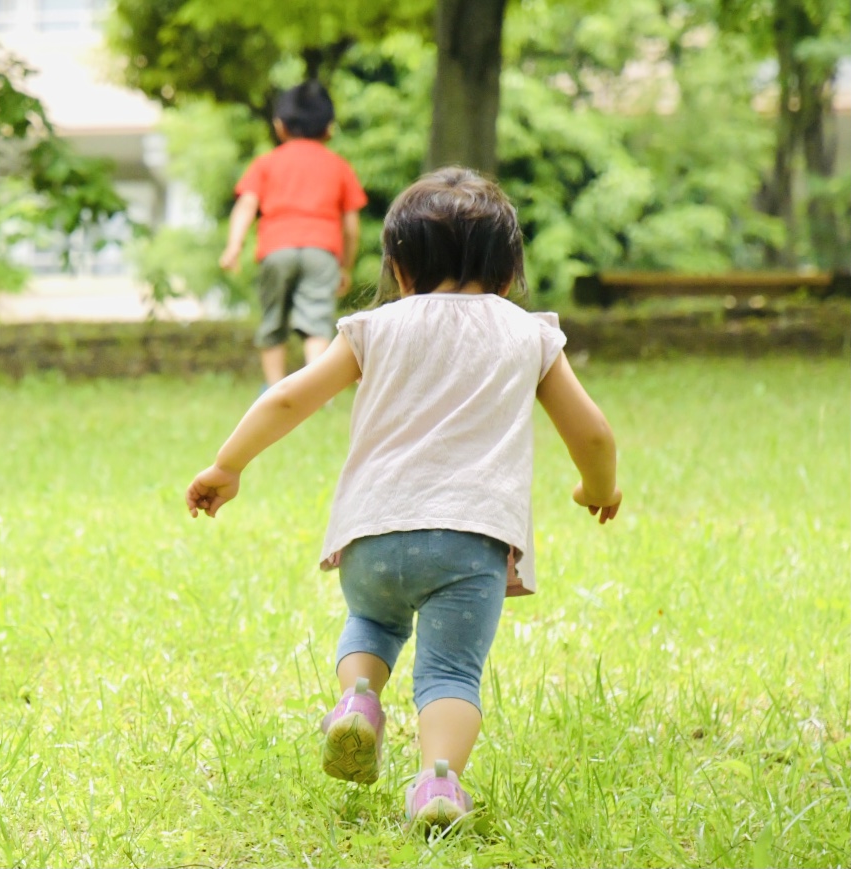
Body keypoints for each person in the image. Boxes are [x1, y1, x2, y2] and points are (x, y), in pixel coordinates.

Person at [186, 167, 621, 828]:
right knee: (450, 671)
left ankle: (359, 699)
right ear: (508, 274)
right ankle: (438, 783)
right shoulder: (529, 333)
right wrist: (598, 486)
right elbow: (591, 430)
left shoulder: (375, 328)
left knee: (373, 623)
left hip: (373, 532)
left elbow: (287, 396)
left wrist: (229, 464)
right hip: (469, 541)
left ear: (398, 268)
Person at [219, 80, 367, 387]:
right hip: (322, 251)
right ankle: (315, 392)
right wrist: (346, 266)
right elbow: (351, 225)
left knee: (273, 318)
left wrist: (234, 245)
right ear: (329, 128)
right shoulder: (339, 166)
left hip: (277, 249)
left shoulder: (267, 163)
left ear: (279, 126)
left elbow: (247, 204)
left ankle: (274, 389)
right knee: (316, 324)